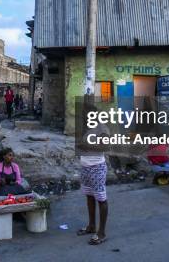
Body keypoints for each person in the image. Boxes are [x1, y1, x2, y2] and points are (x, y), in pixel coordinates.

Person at [77, 105, 109, 246]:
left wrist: (87, 146)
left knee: (101, 199)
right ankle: (91, 226)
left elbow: (105, 147)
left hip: (97, 168)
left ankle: (101, 232)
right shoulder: (87, 128)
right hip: (85, 167)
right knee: (89, 196)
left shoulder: (102, 129)